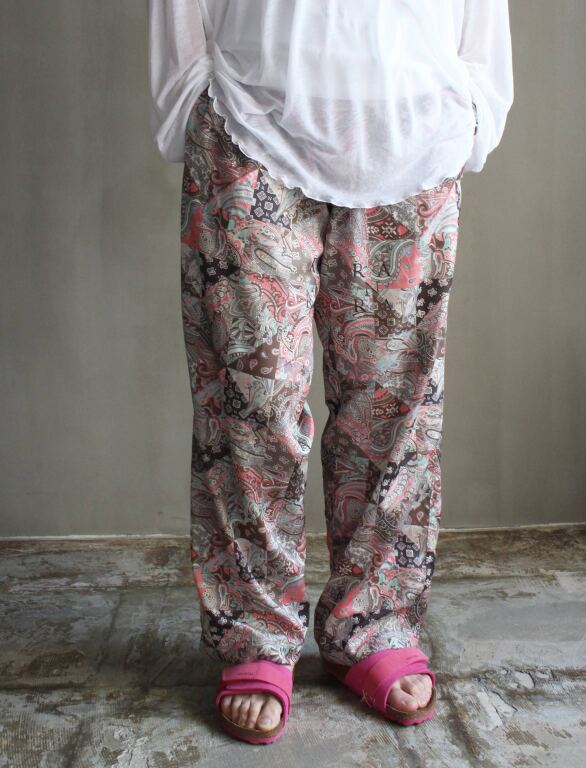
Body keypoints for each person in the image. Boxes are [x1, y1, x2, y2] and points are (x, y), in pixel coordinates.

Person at [147, 0, 513, 745]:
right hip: (250, 119)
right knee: (251, 403)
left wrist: (474, 104)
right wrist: (193, 100)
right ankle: (255, 632)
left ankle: (374, 623)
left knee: (393, 404)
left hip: (413, 128)